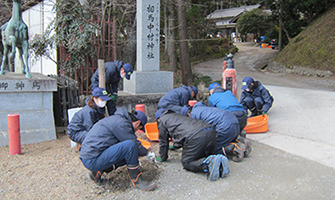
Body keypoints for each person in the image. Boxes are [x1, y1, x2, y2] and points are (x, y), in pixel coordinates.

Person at [79, 107, 157, 191]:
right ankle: (136, 180)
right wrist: (146, 153)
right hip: (92, 159)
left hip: (89, 156)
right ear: (137, 123)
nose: (136, 131)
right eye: (138, 129)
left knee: (128, 152)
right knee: (130, 146)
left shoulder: (117, 119)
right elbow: (133, 143)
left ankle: (96, 172)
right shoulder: (122, 124)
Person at [154, 109, 229, 181]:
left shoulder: (162, 120)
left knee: (187, 162)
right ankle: (219, 163)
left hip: (196, 136)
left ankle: (208, 164)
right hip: (210, 130)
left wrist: (163, 157)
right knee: (203, 155)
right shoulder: (176, 116)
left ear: (157, 119)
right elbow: (181, 133)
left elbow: (163, 141)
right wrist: (174, 146)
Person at [181, 102, 251, 162]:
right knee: (225, 138)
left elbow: (200, 134)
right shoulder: (201, 108)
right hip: (234, 120)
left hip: (225, 125)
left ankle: (235, 149)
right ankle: (241, 141)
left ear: (188, 114)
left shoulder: (194, 115)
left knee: (213, 148)